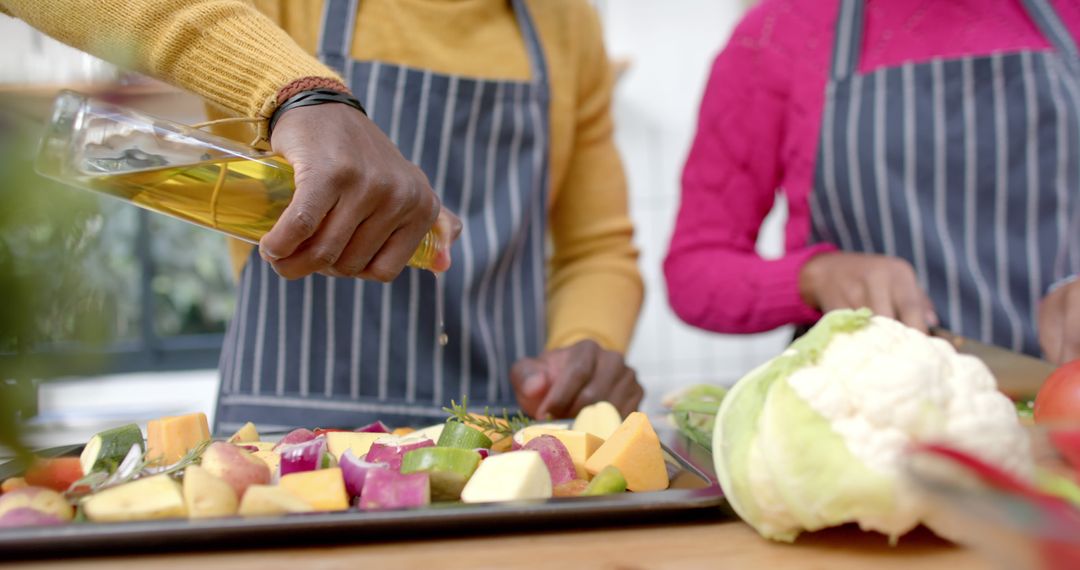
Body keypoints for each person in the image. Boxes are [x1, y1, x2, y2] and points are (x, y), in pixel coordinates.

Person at [1, 0, 645, 431]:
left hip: (501, 455)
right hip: (286, 453)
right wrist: (296, 93)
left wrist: (584, 351)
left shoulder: (566, 21)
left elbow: (597, 250)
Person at [665, 0, 1080, 364]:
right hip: (866, 412)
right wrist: (814, 276)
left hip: (1063, 406)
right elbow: (694, 271)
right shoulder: (778, 33)